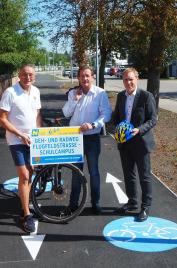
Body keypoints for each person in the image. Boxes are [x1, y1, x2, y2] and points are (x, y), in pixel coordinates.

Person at [0, 63, 42, 233]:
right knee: (23, 175)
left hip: (33, 140)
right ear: (19, 75)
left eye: (30, 75)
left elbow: (37, 115)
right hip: (17, 140)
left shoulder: (36, 92)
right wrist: (20, 134)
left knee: (30, 174)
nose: (27, 78)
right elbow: (1, 119)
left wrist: (41, 134)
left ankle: (25, 207)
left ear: (34, 76)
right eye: (24, 74)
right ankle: (27, 216)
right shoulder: (10, 92)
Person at [62, 66, 111, 215]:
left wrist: (93, 124)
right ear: (78, 78)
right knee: (76, 172)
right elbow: (66, 113)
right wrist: (75, 100)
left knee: (93, 172)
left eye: (88, 76)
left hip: (92, 139)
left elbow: (106, 113)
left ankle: (95, 203)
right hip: (75, 139)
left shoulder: (100, 93)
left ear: (93, 77)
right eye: (82, 76)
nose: (85, 79)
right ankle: (73, 204)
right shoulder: (72, 93)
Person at [113, 68, 157, 222]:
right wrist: (118, 129)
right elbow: (116, 116)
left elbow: (152, 119)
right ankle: (132, 201)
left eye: (131, 79)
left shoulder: (146, 96)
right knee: (129, 175)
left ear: (137, 79)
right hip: (125, 143)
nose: (128, 82)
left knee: (144, 176)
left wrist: (140, 130)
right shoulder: (120, 96)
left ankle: (145, 207)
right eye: (125, 79)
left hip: (141, 142)